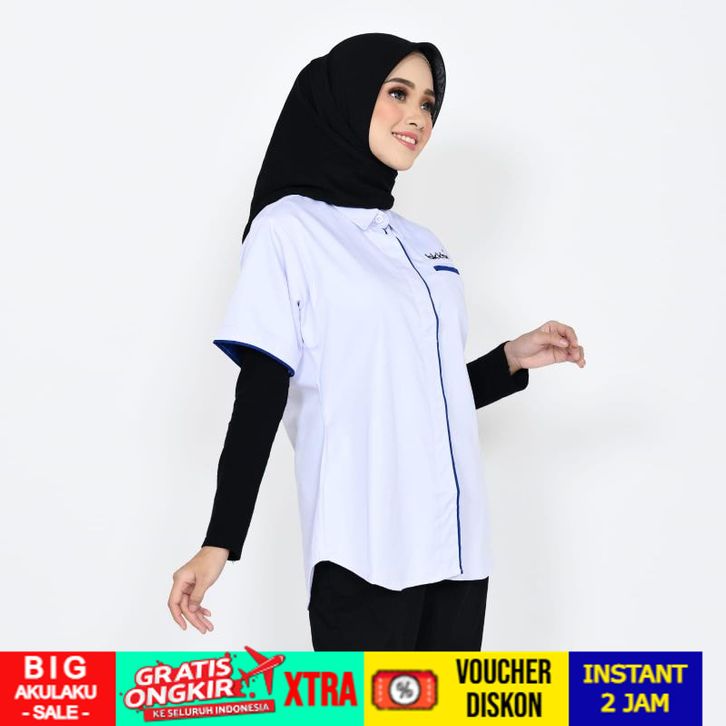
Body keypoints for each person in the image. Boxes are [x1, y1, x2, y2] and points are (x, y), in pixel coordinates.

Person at [167, 33, 585, 651]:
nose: (417, 116)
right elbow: (261, 390)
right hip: (365, 553)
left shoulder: (422, 245)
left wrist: (508, 362)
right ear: (348, 97)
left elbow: (417, 395)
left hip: (459, 553)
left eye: (428, 104)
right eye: (397, 94)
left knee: (455, 709)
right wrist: (220, 540)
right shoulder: (288, 230)